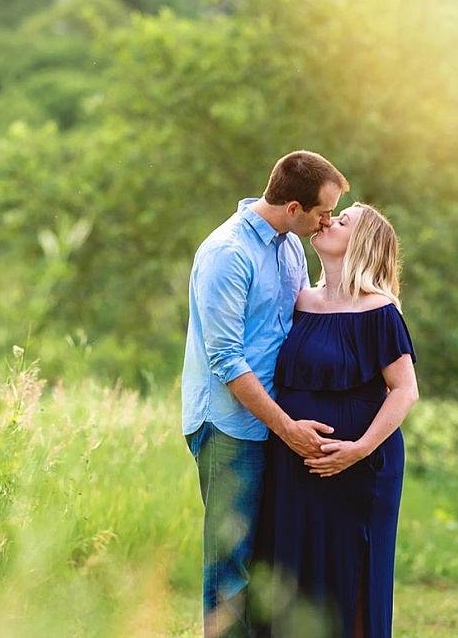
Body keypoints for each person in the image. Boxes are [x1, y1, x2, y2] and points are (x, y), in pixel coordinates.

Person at [181, 150, 350, 638]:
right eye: (322, 212)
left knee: (268, 557)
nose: (328, 221)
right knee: (230, 562)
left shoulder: (289, 247)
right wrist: (286, 427)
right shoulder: (227, 253)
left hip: (277, 421)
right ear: (294, 208)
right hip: (230, 425)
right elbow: (227, 360)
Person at [256, 203, 419, 638]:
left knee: (352, 578)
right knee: (296, 572)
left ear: (361, 245)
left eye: (342, 220)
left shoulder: (379, 309)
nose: (328, 220)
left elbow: (405, 391)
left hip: (358, 470)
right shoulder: (302, 301)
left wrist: (358, 450)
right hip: (295, 464)